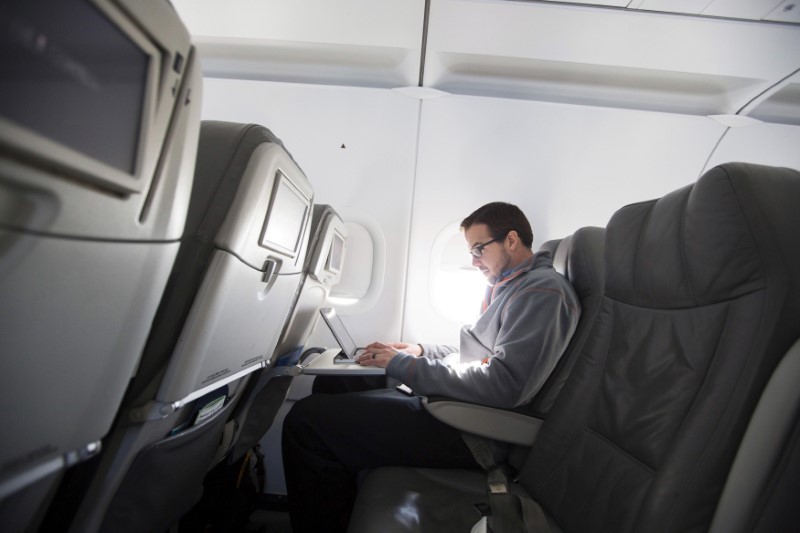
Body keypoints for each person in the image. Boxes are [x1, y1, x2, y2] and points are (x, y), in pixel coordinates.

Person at [282, 202, 580, 532]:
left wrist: (406, 366)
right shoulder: (510, 285)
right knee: (336, 384)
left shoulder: (543, 293)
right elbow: (478, 355)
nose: (473, 261)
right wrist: (421, 350)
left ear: (511, 240)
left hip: (475, 431)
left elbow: (505, 383)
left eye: (478, 249)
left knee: (305, 423)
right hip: (458, 409)